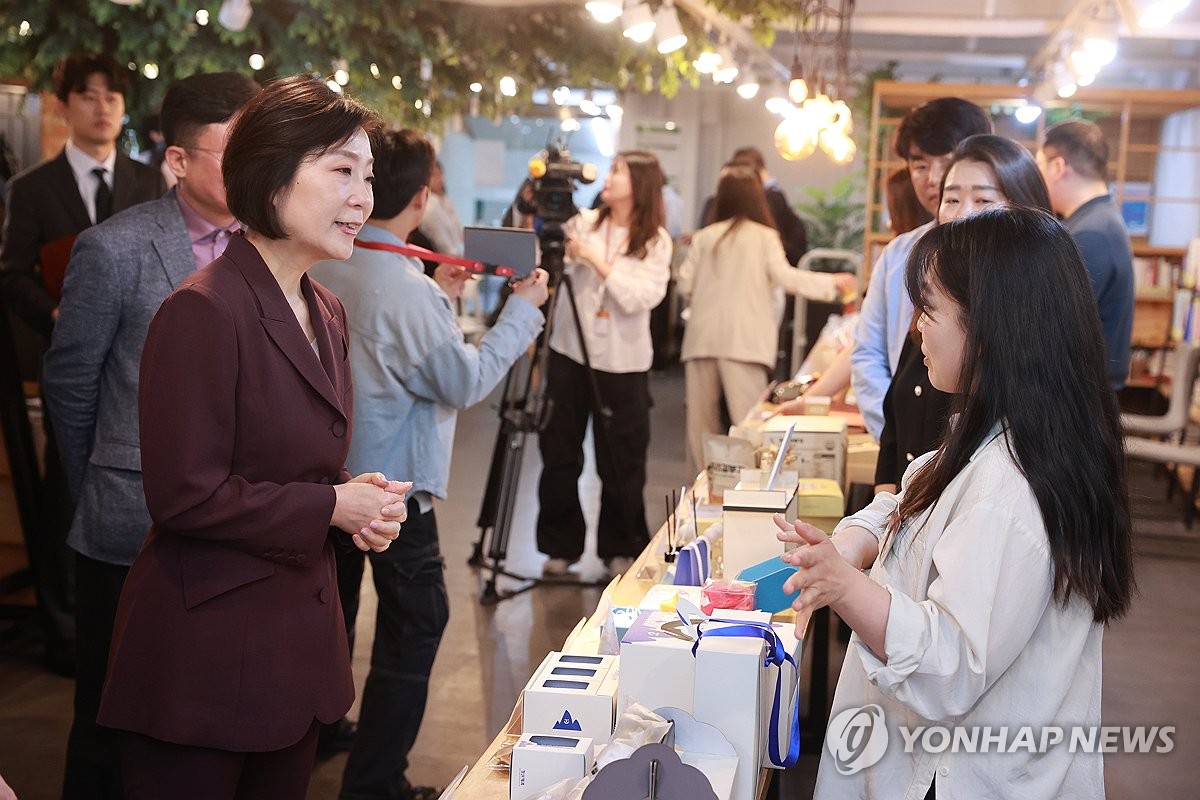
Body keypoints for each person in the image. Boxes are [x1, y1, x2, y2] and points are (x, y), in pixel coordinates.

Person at [96, 76, 408, 799]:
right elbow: (185, 496)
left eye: (366, 175)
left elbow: (299, 465)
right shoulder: (203, 310)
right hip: (204, 660)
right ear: (271, 173)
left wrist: (355, 499)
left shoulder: (325, 309)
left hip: (293, 655)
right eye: (341, 171)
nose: (362, 197)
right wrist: (328, 509)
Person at [778, 206, 1135, 798]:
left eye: (932, 310)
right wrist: (850, 543)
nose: (917, 326)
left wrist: (843, 585)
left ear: (994, 326)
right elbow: (915, 492)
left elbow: (948, 667)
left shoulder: (1009, 486)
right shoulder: (1009, 432)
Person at [309, 128, 549, 800]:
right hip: (392, 489)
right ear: (421, 196)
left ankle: (326, 731)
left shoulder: (332, 260)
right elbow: (462, 383)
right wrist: (521, 314)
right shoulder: (404, 288)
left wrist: (438, 295)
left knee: (331, 611)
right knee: (418, 621)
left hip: (330, 476)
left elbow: (389, 355)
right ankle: (375, 784)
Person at [41, 71, 260, 800]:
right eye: (234, 155)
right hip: (128, 523)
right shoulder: (115, 249)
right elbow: (72, 389)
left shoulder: (265, 250)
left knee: (202, 721)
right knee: (108, 721)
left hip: (235, 525)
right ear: (177, 160)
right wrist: (103, 481)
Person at [0, 53, 164, 674]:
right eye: (89, 96)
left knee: (139, 481)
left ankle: (137, 619)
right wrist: (57, 317)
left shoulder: (151, 184)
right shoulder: (31, 189)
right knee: (64, 490)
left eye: (112, 97)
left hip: (141, 366)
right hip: (69, 361)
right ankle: (63, 631)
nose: (102, 108)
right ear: (67, 106)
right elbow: (12, 277)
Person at [874, 134, 1052, 494]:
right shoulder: (939, 297)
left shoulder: (1025, 333)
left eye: (983, 199)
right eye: (951, 198)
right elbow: (898, 415)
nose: (962, 214)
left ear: (1024, 210)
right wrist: (879, 515)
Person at [536, 150, 672, 578]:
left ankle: (621, 546)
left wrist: (594, 259)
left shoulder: (656, 241)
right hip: (569, 352)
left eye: (618, 171)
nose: (607, 178)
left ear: (641, 184)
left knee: (622, 461)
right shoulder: (582, 223)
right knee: (559, 453)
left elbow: (638, 298)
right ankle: (560, 546)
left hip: (624, 364)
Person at [678, 165, 856, 472]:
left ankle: (702, 497)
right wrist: (832, 284)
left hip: (701, 339)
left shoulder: (705, 237)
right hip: (745, 343)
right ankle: (750, 492)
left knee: (701, 428)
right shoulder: (765, 237)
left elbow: (684, 284)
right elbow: (787, 278)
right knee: (751, 424)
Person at [850, 97, 992, 440]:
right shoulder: (899, 253)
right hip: (904, 443)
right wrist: (896, 433)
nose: (933, 179)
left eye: (946, 162)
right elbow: (868, 352)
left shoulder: (1010, 254)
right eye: (920, 165)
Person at [1037, 118, 1135, 390]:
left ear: (1057, 167)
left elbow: (1053, 324)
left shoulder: (1091, 233)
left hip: (1081, 393)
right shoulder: (1098, 220)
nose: (1038, 176)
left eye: (1039, 166)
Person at [417, 159, 464, 257]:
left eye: (441, 174)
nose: (440, 179)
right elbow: (445, 248)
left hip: (456, 256)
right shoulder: (430, 206)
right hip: (444, 262)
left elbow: (461, 233)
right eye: (435, 175)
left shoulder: (445, 201)